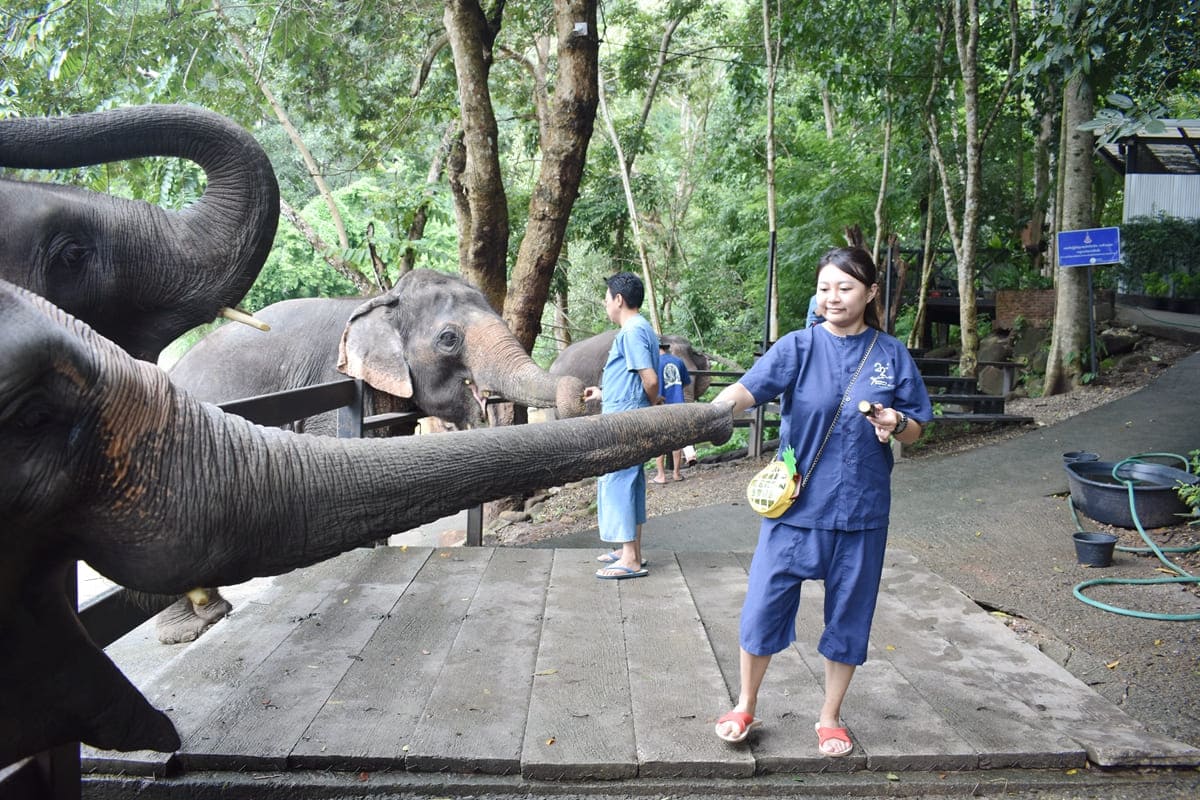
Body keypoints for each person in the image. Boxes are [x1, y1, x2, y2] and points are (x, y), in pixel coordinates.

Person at [709, 246, 933, 756]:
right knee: (763, 605)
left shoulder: (890, 354)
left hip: (862, 511)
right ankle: (745, 703)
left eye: (846, 287)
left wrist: (896, 423)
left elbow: (917, 428)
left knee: (850, 616)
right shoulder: (798, 346)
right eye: (826, 286)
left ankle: (830, 716)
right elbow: (746, 390)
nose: (833, 296)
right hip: (795, 508)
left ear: (870, 293)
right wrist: (707, 415)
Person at [583, 272, 661, 580]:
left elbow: (650, 380)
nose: (605, 304)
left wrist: (650, 404)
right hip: (625, 413)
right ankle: (630, 550)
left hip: (625, 422)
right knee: (630, 483)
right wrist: (603, 393)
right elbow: (633, 379)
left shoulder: (632, 331)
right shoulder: (640, 329)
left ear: (619, 299)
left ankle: (630, 559)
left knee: (619, 482)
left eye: (606, 299)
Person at [652, 340, 692, 483]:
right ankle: (676, 473)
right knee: (677, 439)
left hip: (661, 404)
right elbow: (686, 382)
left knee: (660, 439)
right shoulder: (678, 361)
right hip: (678, 403)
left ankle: (661, 475)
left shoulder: (654, 363)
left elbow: (651, 384)